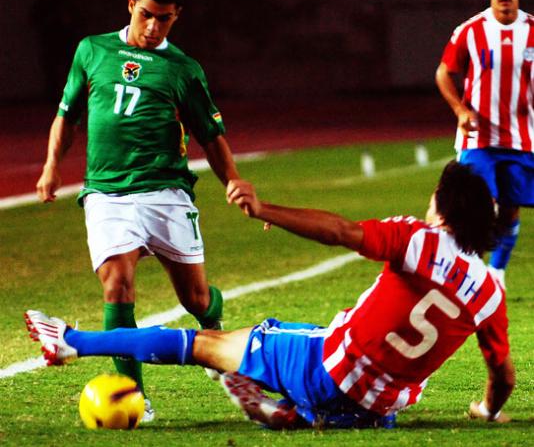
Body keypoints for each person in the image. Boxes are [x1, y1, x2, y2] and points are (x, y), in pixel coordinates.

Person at [26, 162, 515, 429]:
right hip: (380, 405)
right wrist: (488, 411)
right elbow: (503, 376)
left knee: (206, 344)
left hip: (329, 371)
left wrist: (267, 210)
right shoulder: (491, 291)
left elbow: (340, 232)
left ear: (442, 206)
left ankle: (72, 342)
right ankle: (295, 413)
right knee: (300, 334)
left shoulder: (420, 240)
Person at [35, 0, 242, 421]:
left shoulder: (184, 70)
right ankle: (132, 395)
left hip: (166, 191)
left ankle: (212, 321)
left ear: (176, 16)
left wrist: (232, 180)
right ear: (130, 6)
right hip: (107, 192)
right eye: (146, 14)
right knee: (117, 284)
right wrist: (51, 166)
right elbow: (66, 114)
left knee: (195, 298)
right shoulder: (92, 50)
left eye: (163, 19)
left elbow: (211, 136)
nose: (153, 27)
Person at [435, 0, 534, 284]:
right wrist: (460, 110)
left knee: (510, 208)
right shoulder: (471, 30)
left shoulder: (533, 30)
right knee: (476, 206)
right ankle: (467, 273)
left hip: (522, 139)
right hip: (478, 138)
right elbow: (444, 72)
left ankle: (497, 273)